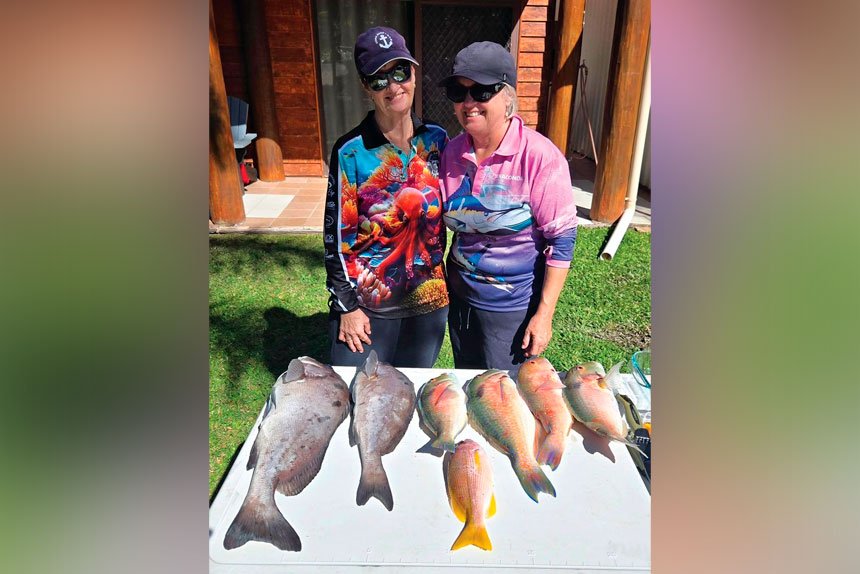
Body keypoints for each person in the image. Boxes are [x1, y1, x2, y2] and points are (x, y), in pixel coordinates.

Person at [438, 41, 578, 377]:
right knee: (472, 387)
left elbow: (562, 239)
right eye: (459, 92)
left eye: (482, 91)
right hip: (460, 300)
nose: (469, 103)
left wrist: (543, 315)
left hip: (511, 308)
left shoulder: (539, 156)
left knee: (506, 399)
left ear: (507, 97)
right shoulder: (450, 152)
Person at [323, 26, 449, 368]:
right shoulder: (351, 151)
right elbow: (336, 239)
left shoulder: (437, 140)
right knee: (357, 397)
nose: (394, 86)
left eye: (400, 72)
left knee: (407, 396)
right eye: (379, 79)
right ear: (366, 87)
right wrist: (348, 306)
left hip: (428, 304)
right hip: (368, 306)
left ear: (413, 72)